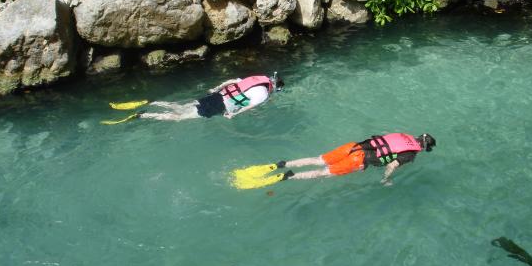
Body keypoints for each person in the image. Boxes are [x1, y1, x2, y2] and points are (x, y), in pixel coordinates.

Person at [275, 132, 435, 185]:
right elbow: (392, 165)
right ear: (423, 147)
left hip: (353, 146)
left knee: (318, 160)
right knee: (323, 172)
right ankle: (290, 176)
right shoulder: (411, 153)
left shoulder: (404, 135)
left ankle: (285, 163)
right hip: (358, 160)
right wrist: (385, 179)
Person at [137, 73, 284, 122]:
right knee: (179, 117)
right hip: (220, 106)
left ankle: (154, 102)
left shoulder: (256, 79)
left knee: (182, 107)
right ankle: (145, 115)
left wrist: (216, 88)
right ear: (274, 88)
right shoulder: (263, 94)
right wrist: (234, 114)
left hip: (217, 95)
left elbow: (233, 81)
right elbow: (251, 106)